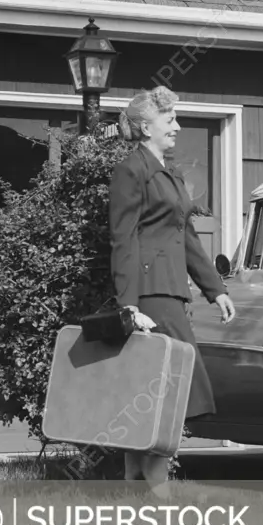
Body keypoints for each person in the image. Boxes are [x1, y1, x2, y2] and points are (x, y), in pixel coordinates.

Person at [109, 86, 236, 493]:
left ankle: (135, 482)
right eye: (170, 120)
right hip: (149, 297)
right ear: (146, 127)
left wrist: (214, 288)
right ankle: (156, 487)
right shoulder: (132, 170)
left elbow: (188, 237)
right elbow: (122, 239)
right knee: (171, 388)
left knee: (156, 389)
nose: (177, 127)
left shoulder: (170, 172)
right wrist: (128, 305)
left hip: (171, 294)